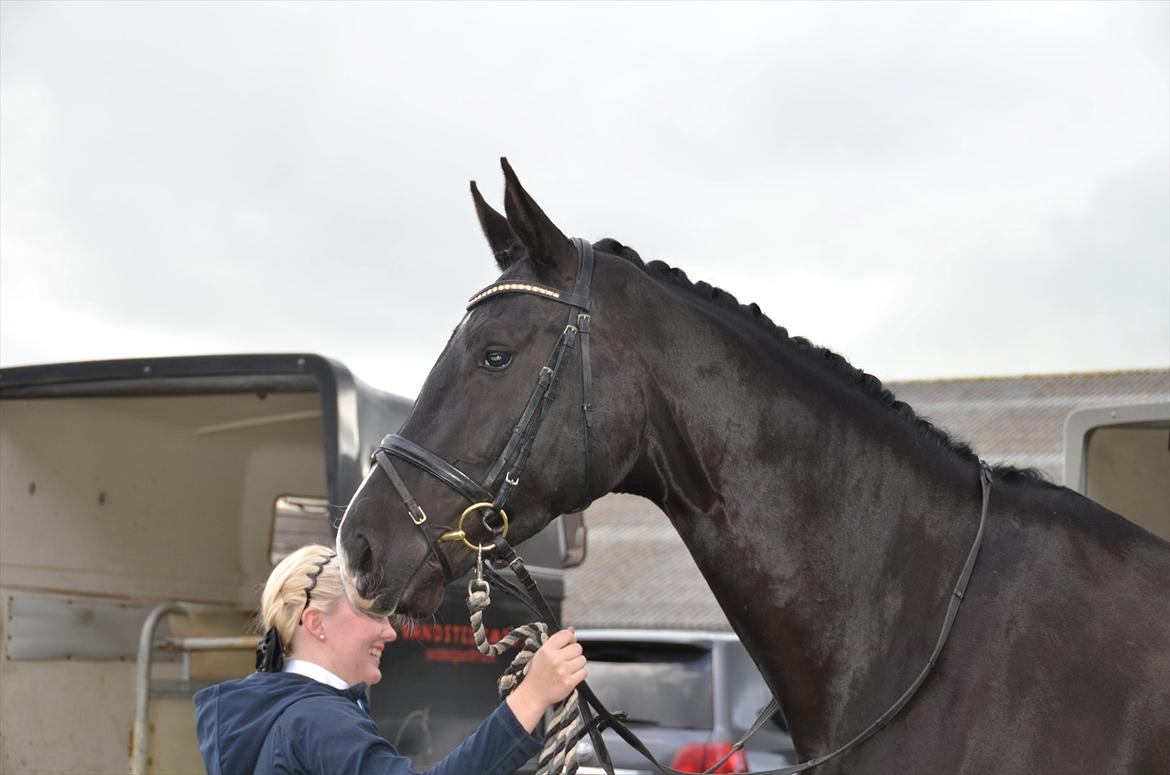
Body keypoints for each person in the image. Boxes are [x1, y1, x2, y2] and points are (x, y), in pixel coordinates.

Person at [194, 544, 587, 775]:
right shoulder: (316, 720)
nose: (390, 631)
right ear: (316, 623)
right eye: (372, 613)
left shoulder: (276, 713)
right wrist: (532, 696)